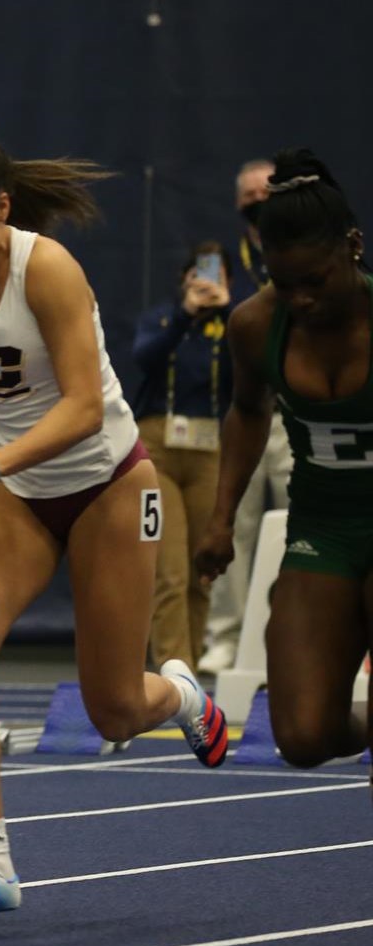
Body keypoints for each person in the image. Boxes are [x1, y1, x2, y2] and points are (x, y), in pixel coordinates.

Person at [0, 117, 226, 929]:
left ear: (3, 207)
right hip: (18, 493)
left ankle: (182, 695)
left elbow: (85, 408)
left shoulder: (47, 270)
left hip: (110, 484)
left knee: (114, 711)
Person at [195, 150, 373, 777]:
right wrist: (220, 520)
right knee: (301, 735)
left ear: (353, 246)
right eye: (283, 281)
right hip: (322, 529)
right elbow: (246, 412)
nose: (301, 298)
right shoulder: (255, 324)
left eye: (315, 282)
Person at [201, 159, 294, 673]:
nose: (259, 202)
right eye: (250, 196)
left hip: (293, 411)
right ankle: (226, 637)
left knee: (303, 522)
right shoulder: (221, 262)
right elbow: (204, 314)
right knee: (231, 522)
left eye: (268, 193)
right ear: (240, 205)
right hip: (243, 408)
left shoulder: (302, 255)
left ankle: (294, 629)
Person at [128, 242, 233, 671]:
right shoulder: (165, 317)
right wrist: (187, 312)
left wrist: (226, 312)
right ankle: (176, 670)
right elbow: (144, 358)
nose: (207, 282)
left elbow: (252, 366)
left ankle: (193, 664)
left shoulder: (234, 323)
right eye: (201, 273)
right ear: (186, 278)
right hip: (160, 446)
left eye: (217, 275)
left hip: (209, 448)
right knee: (169, 571)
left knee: (201, 568)